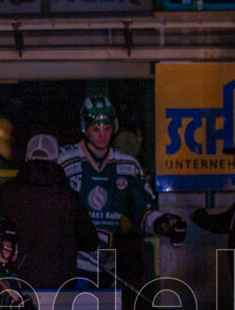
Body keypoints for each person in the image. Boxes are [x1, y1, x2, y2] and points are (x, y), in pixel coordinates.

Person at [58, 96, 186, 284]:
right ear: (85, 128)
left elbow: (141, 211)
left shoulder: (127, 165)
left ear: (115, 127)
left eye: (107, 128)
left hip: (107, 265)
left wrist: (165, 223)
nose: (102, 135)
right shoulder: (65, 160)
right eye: (96, 129)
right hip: (71, 264)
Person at [0, 133, 99, 291]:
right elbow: (90, 242)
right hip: (60, 290)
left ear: (26, 159)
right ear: (56, 161)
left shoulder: (5, 194)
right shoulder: (69, 198)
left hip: (16, 289)